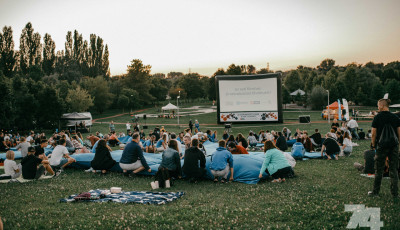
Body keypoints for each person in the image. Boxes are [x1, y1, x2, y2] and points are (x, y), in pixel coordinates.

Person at [368, 98, 400, 198]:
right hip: (393, 146)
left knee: (379, 170)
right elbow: (399, 133)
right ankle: (395, 194)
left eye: (378, 105)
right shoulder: (395, 117)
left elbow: (373, 133)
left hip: (381, 146)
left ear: (382, 105)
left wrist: (373, 144)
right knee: (394, 170)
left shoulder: (377, 118)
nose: (377, 107)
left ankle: (375, 192)